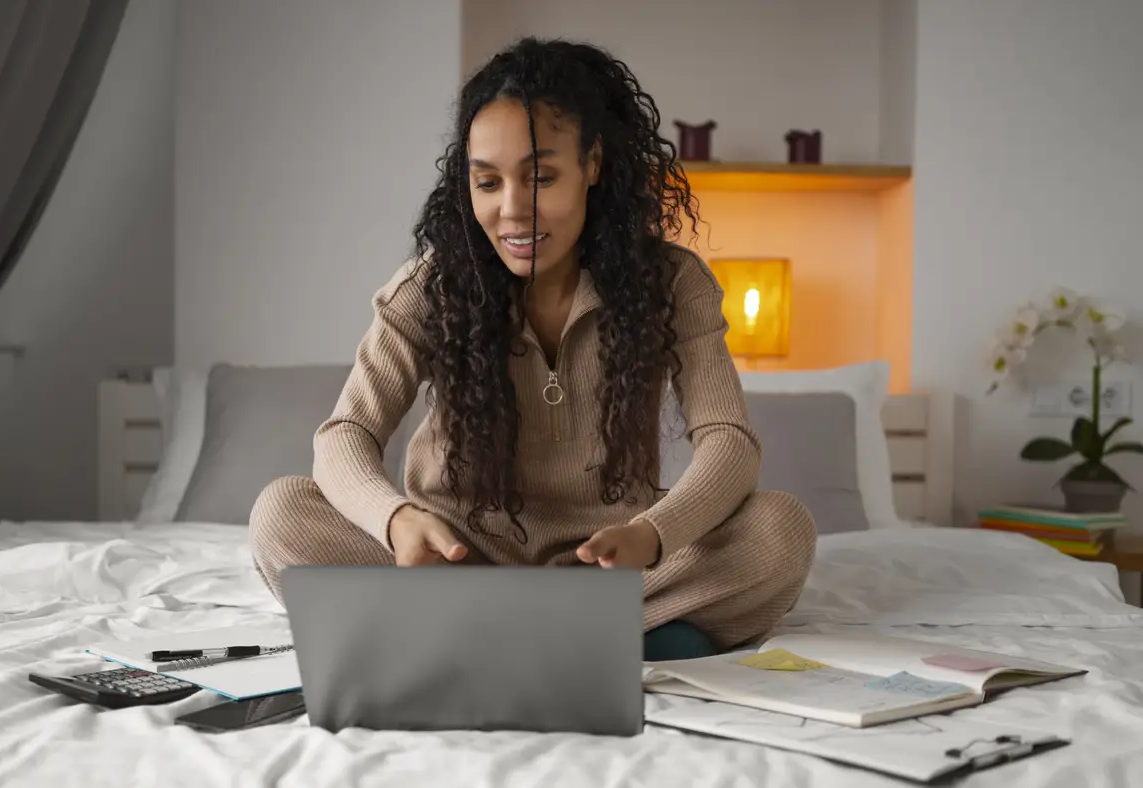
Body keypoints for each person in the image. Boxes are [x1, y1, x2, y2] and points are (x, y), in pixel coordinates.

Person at [250, 36, 816, 661]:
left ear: (593, 164)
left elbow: (729, 442)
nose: (512, 210)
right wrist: (396, 520)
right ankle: (616, 638)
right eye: (487, 183)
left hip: (608, 568)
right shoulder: (429, 288)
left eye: (541, 177)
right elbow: (343, 436)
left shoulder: (672, 284)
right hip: (456, 562)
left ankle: (474, 635)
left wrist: (653, 535)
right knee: (280, 511)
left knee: (779, 528)